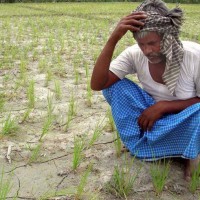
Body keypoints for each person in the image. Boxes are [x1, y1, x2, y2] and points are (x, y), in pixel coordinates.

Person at [91, 0, 200, 180]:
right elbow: (98, 84)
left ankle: (189, 153)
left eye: (153, 43)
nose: (147, 51)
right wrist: (114, 38)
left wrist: (164, 106)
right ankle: (146, 143)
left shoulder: (194, 56)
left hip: (186, 118)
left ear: (168, 36)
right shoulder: (134, 54)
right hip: (151, 119)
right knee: (114, 87)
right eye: (141, 44)